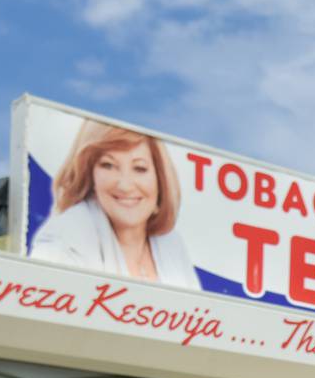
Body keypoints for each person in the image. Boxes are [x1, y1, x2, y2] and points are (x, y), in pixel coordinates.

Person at [32, 118, 195, 287]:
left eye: (139, 168)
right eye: (108, 165)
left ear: (159, 178)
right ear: (89, 173)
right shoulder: (66, 236)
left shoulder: (171, 244)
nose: (125, 185)